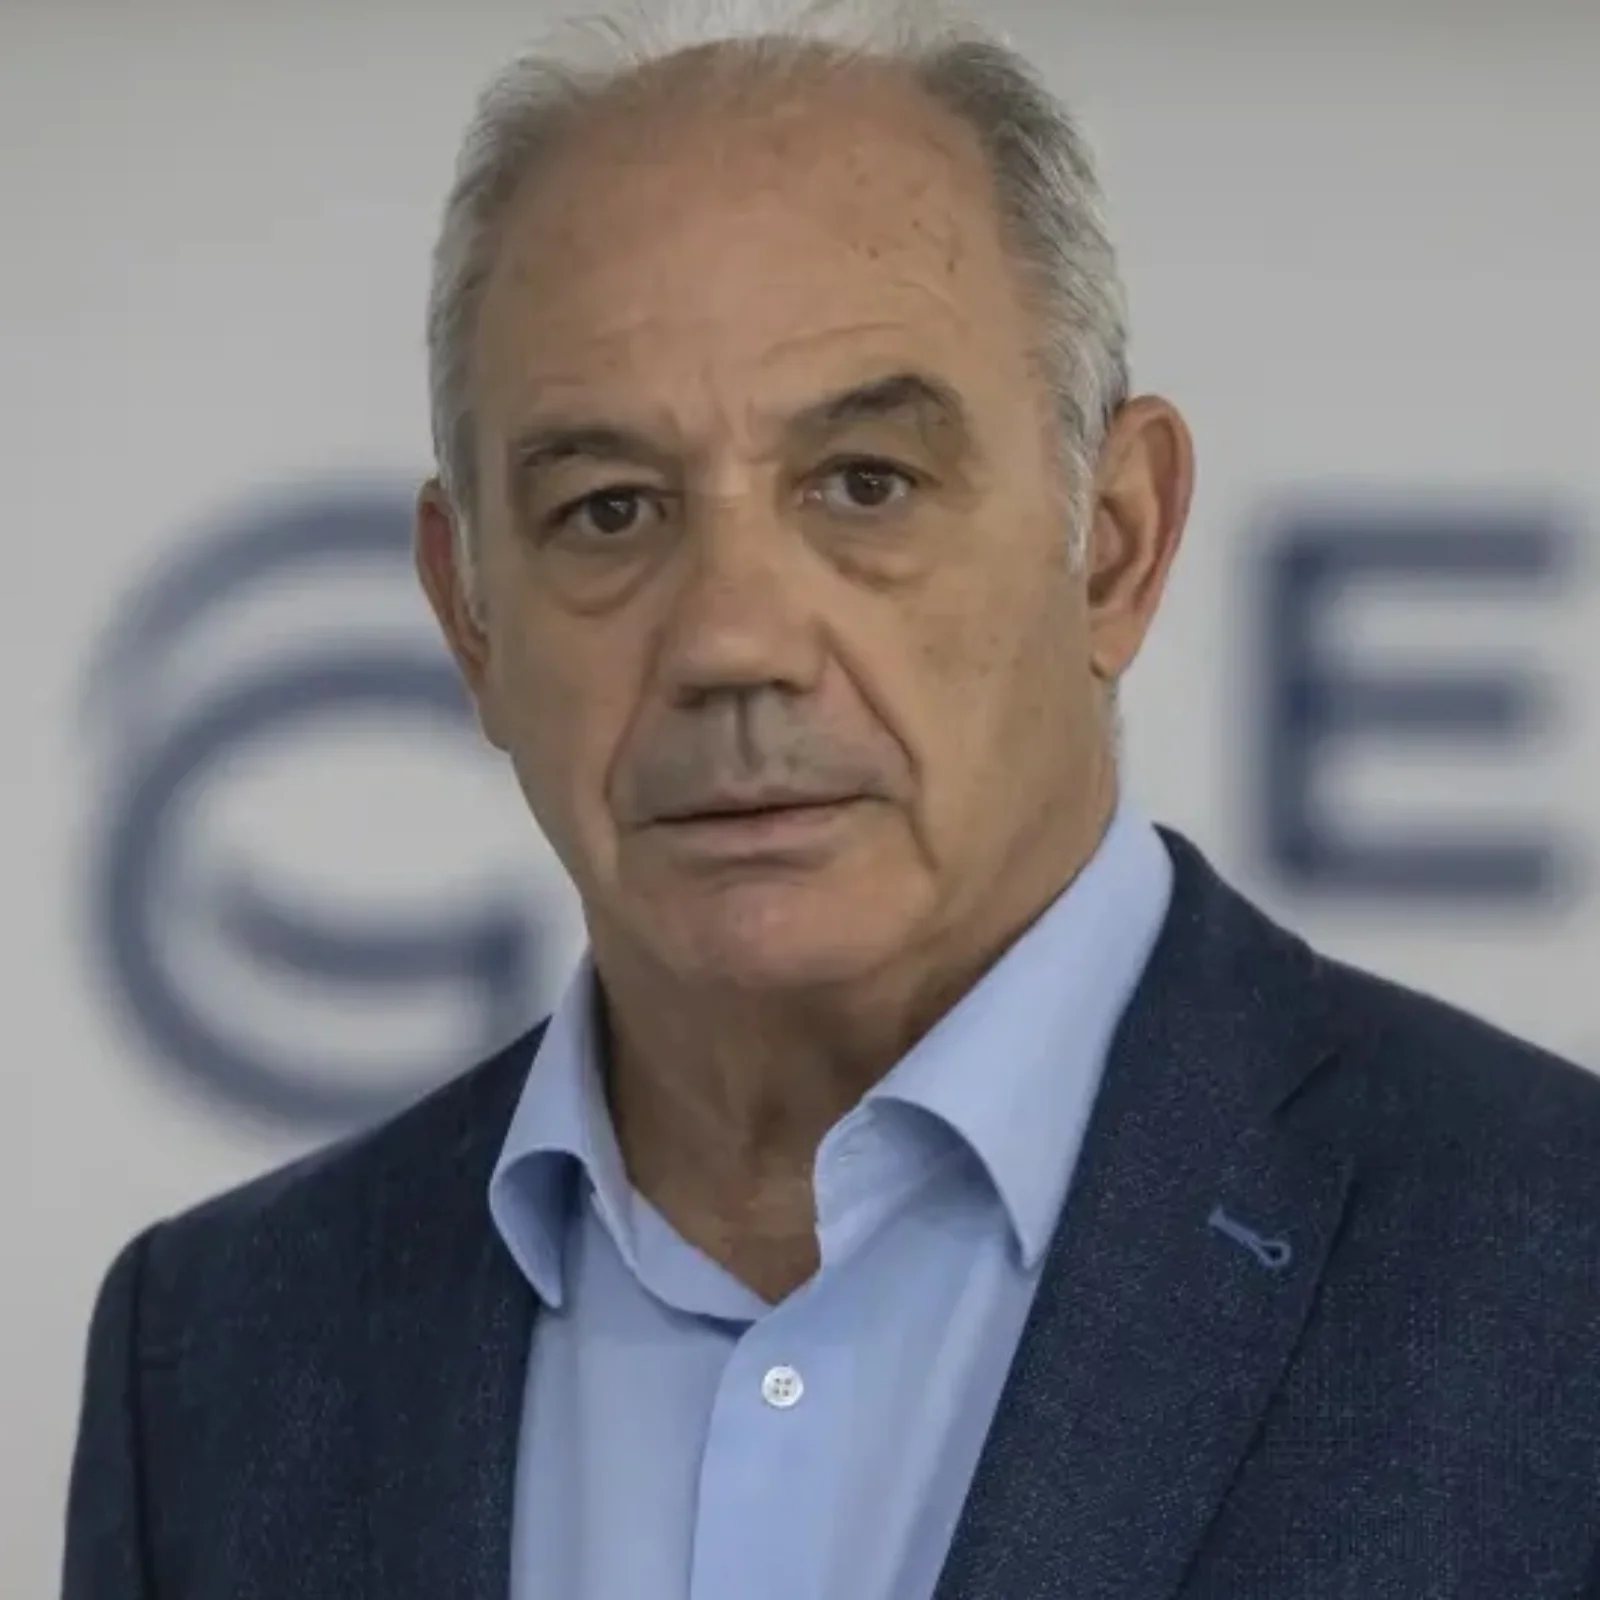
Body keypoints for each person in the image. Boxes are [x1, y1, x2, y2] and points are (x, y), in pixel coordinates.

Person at [61, 2, 1600, 1596]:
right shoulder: (219, 1358)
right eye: (609, 511)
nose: (733, 640)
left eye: (866, 485)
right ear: (469, 617)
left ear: (1115, 545)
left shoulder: (1557, 1275)